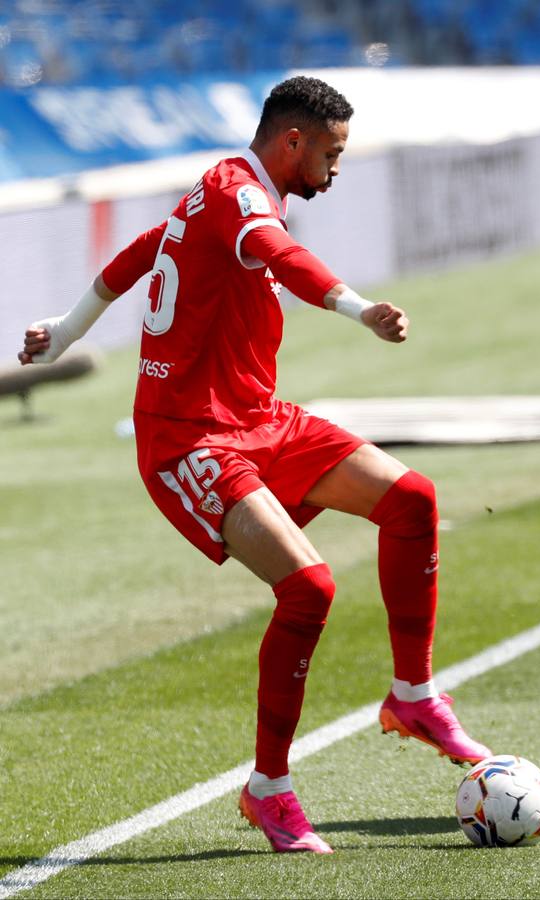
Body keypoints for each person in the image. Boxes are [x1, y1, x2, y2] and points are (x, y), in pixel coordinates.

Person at [18, 75, 491, 854]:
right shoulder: (243, 201)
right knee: (307, 587)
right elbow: (279, 252)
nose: (337, 169)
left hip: (256, 417)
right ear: (292, 142)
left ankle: (412, 694)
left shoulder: (217, 189)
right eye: (332, 153)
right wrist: (356, 306)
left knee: (410, 498)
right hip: (187, 437)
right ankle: (268, 788)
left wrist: (66, 331)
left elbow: (142, 252)